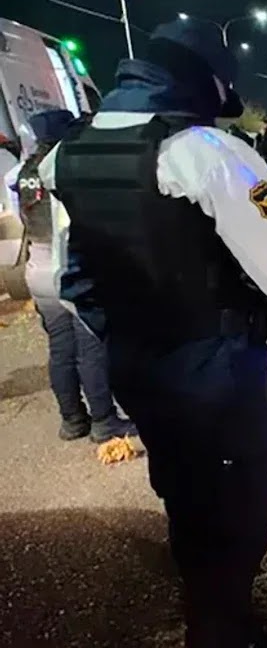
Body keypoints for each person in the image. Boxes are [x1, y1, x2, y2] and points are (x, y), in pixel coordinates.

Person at [38, 19, 267, 646]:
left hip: (135, 362)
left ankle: (214, 612)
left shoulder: (68, 154)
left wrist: (128, 331)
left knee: (183, 491)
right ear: (205, 81)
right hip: (214, 368)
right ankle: (220, 629)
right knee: (238, 502)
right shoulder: (206, 150)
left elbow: (72, 278)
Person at [4, 110, 133, 443]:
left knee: (61, 348)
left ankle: (72, 420)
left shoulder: (20, 173)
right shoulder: (68, 167)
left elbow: (19, 214)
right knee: (91, 348)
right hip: (69, 265)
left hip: (37, 267)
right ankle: (104, 421)